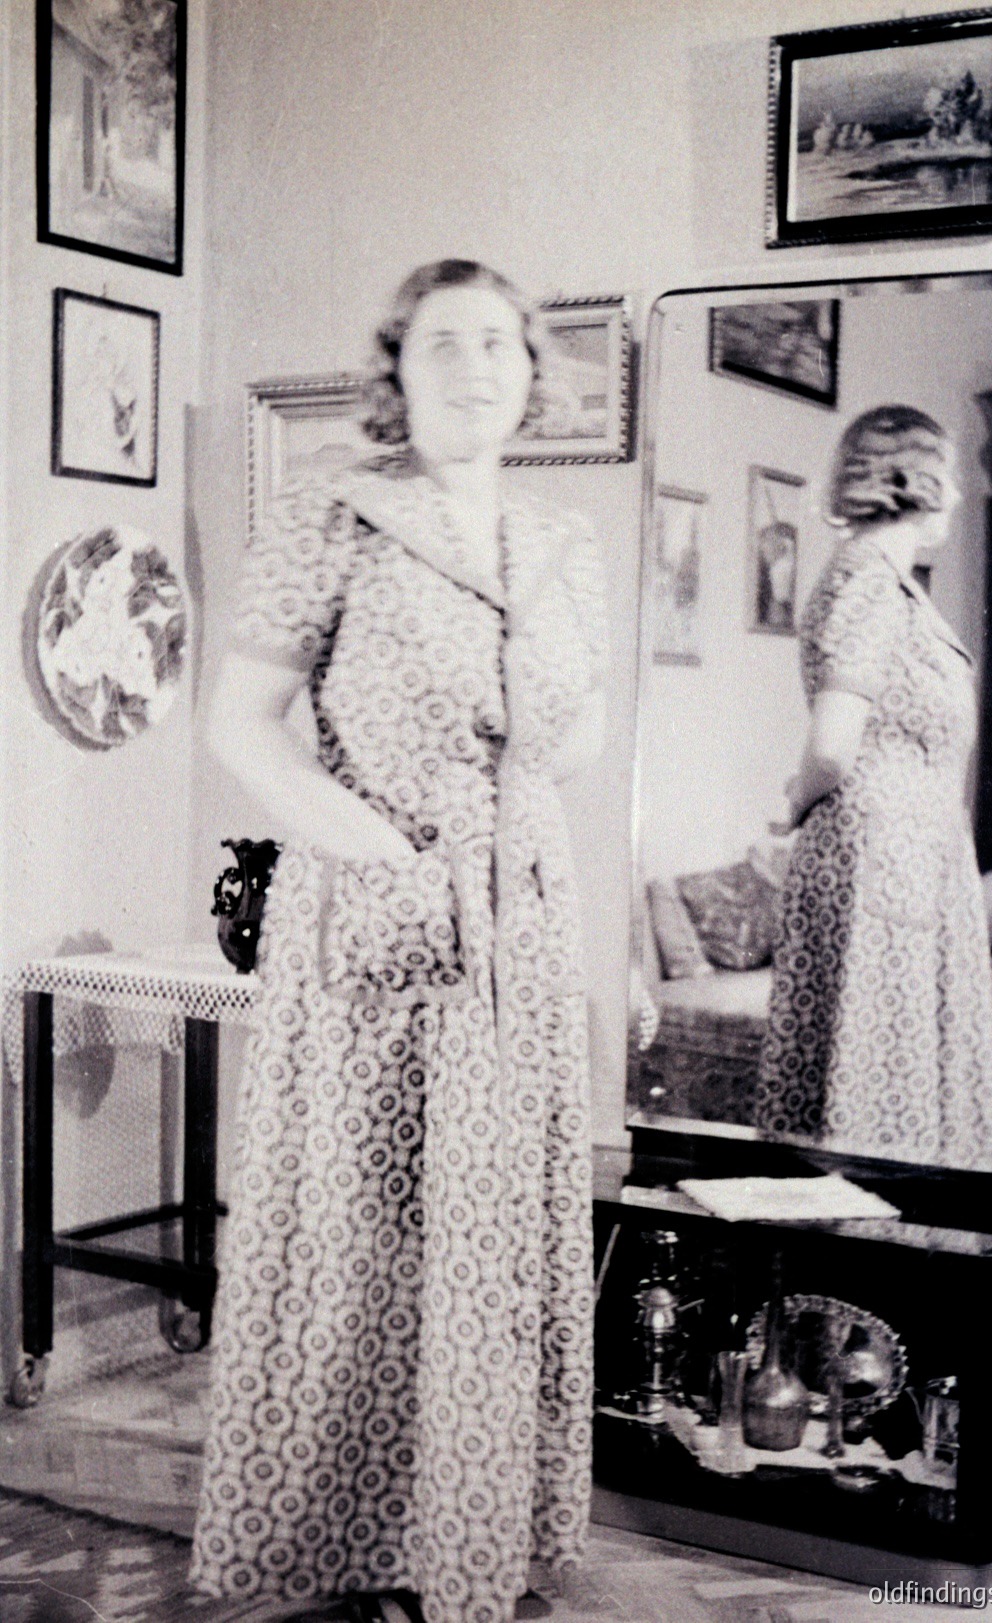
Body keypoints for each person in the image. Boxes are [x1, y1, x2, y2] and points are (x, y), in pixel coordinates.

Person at [189, 260, 608, 1623]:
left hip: (519, 930)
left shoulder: (564, 541)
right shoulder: (335, 515)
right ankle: (350, 1544)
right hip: (374, 918)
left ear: (530, 371)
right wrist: (363, 836)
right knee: (371, 1233)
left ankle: (476, 1540)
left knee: (497, 1237)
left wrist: (528, 801)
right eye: (443, 345)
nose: (476, 366)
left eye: (499, 342)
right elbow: (239, 722)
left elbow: (582, 723)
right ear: (398, 371)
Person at [756, 404, 992, 1170]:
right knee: (865, 1090)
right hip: (873, 867)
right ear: (911, 481)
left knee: (896, 1091)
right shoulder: (865, 576)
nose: (958, 498)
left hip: (910, 861)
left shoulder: (892, 583)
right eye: (950, 479)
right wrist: (793, 800)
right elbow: (831, 744)